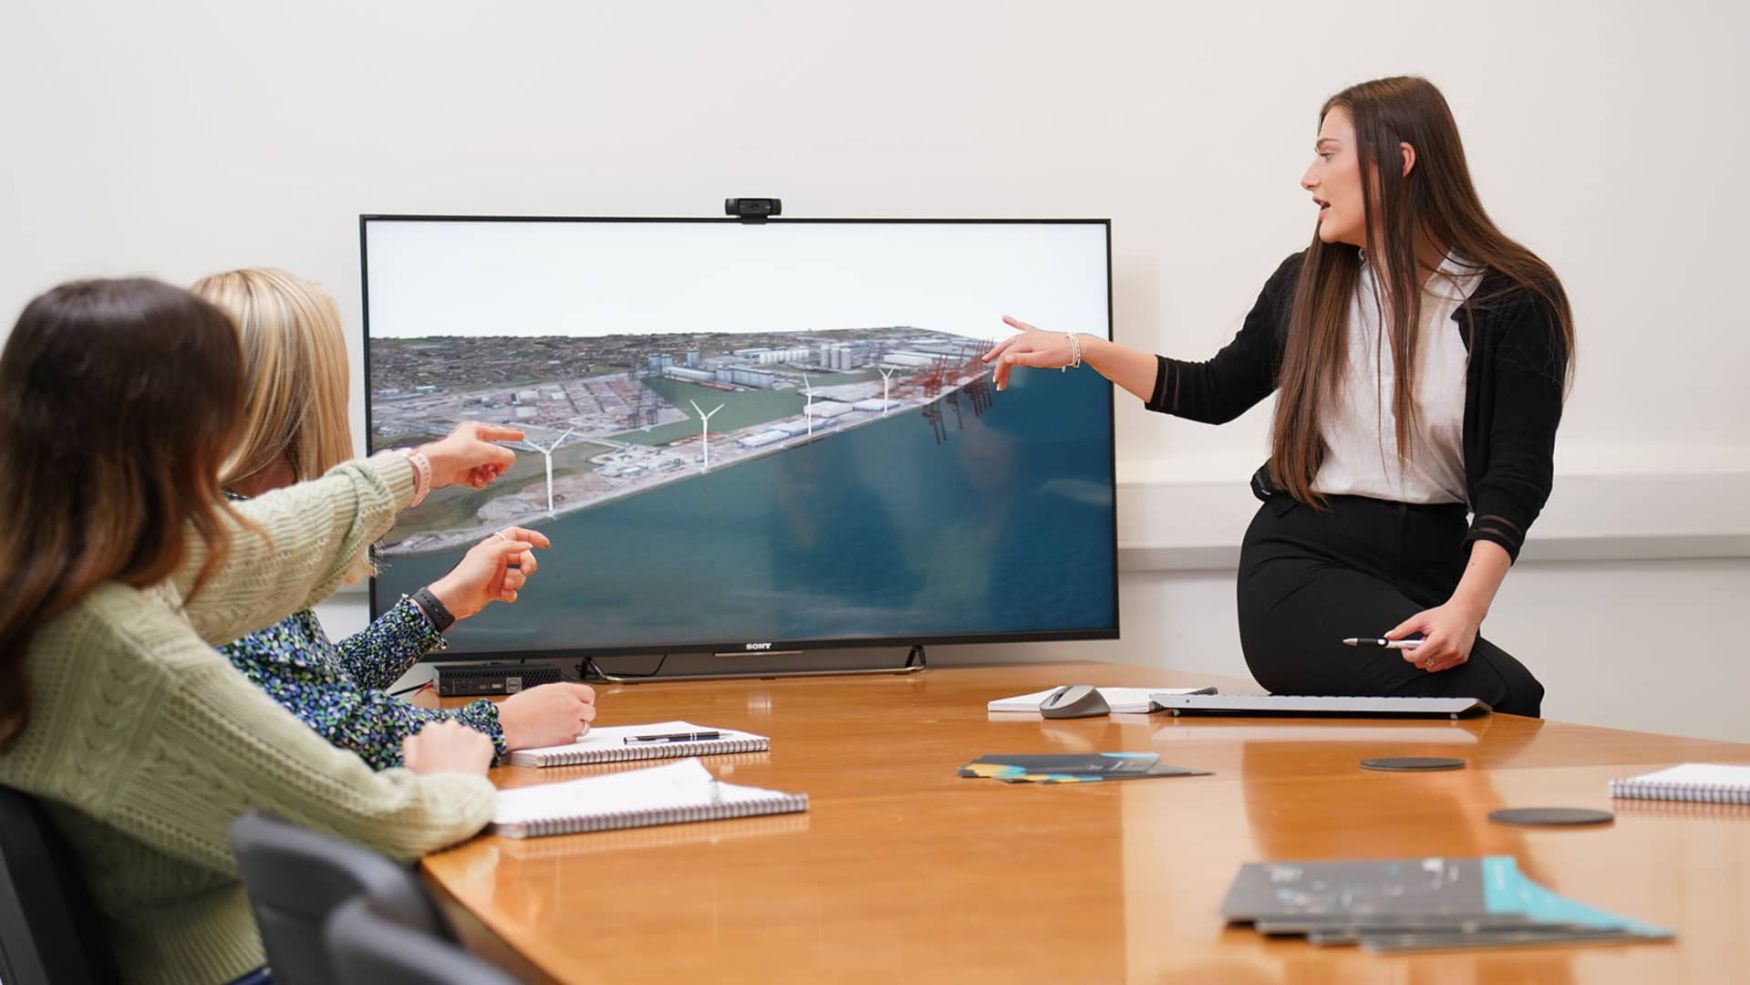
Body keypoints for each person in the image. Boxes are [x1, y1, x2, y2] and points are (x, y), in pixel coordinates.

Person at [986, 77, 1570, 717]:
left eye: (1327, 154)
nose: (1307, 178)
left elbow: (1514, 478)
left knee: (1506, 703)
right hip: (1303, 564)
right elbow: (1212, 390)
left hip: (1433, 565)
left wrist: (1466, 607)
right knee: (1506, 697)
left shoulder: (1513, 300)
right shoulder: (1306, 284)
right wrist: (1086, 348)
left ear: (1398, 163)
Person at [0, 277, 527, 984]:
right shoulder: (125, 649)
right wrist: (465, 764)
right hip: (245, 964)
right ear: (198, 426)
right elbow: (372, 819)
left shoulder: (49, 563)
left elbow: (265, 544)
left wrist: (422, 470)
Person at [190, 268, 594, 768]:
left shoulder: (215, 523)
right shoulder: (221, 545)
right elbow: (324, 734)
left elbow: (313, 687)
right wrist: (500, 725)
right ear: (303, 403)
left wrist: (438, 605)